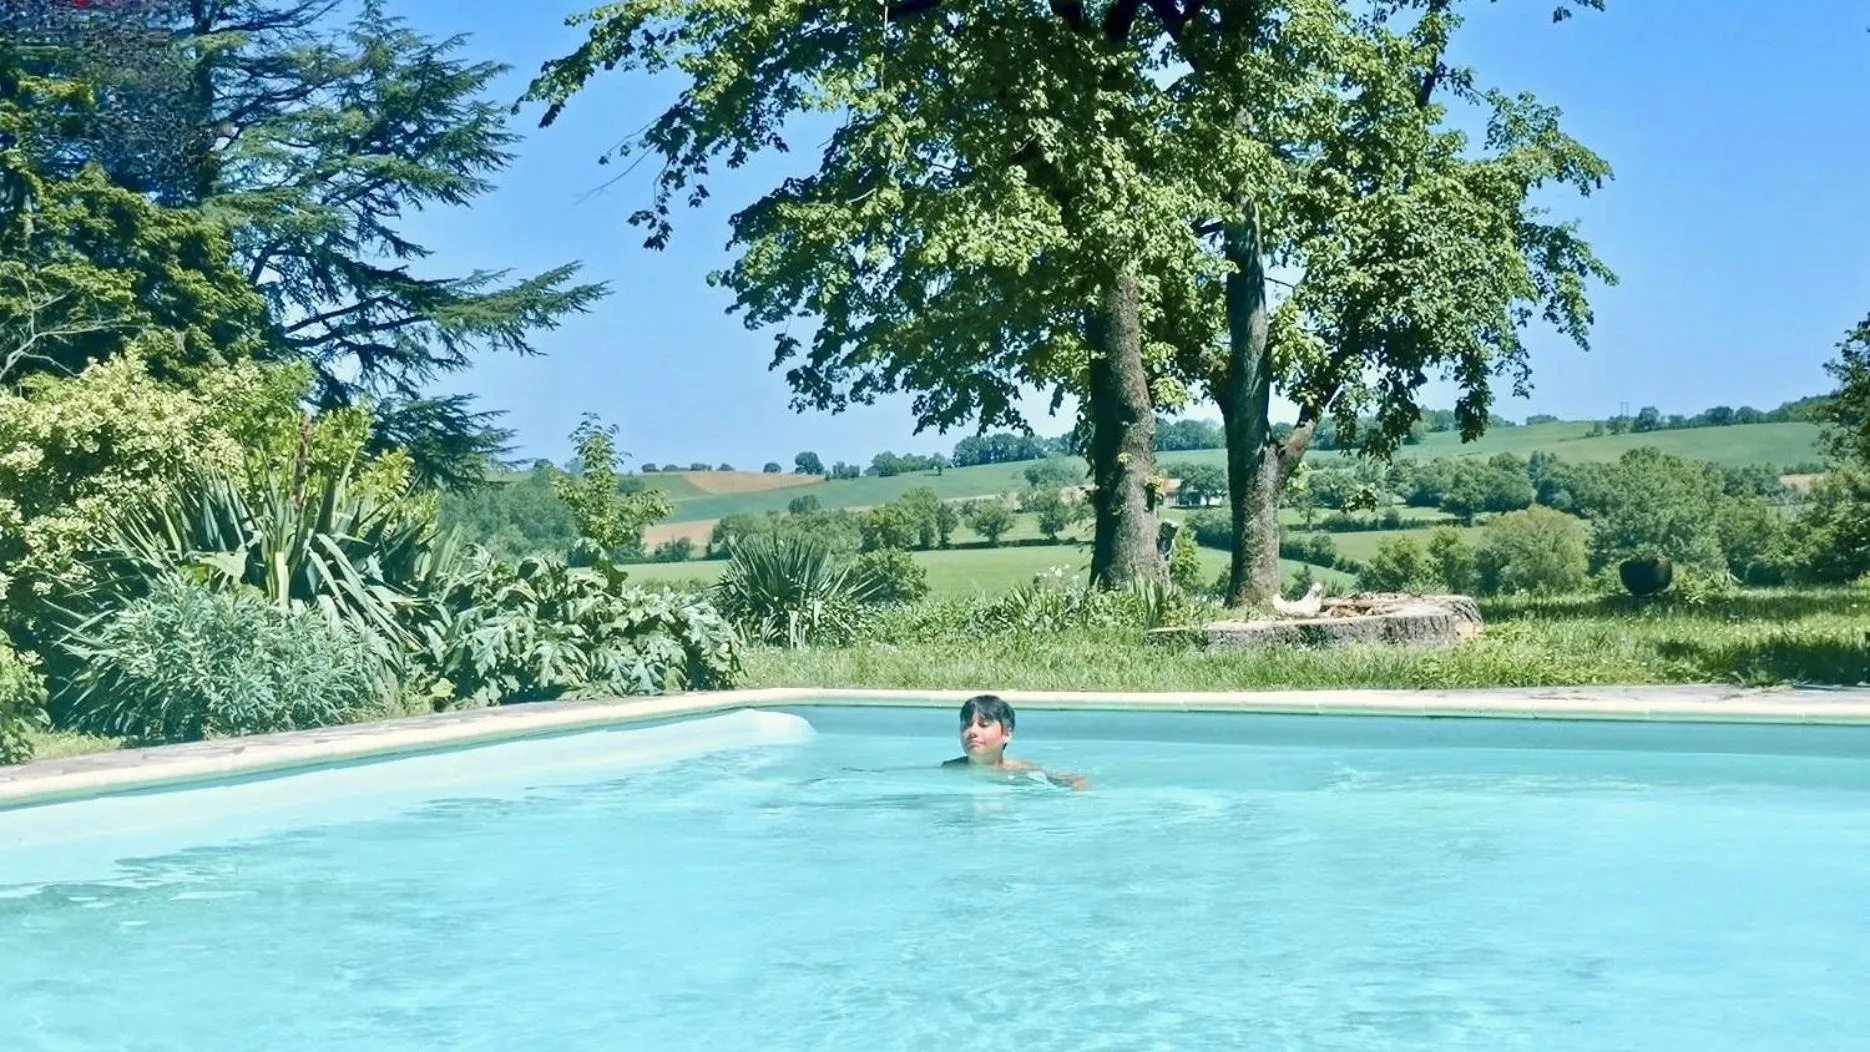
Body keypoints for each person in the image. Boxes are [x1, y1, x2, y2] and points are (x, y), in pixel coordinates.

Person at [942, 694, 1087, 790]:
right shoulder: (950, 769)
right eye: (966, 726)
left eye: (984, 725)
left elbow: (1075, 781)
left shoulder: (1022, 771)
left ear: (1006, 734)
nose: (972, 732)